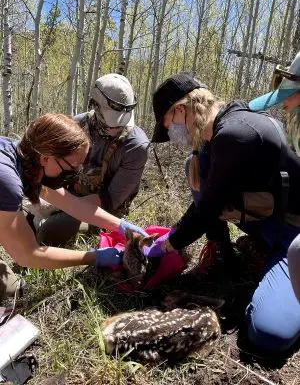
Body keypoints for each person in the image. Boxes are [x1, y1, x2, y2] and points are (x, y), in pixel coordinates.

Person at [151, 70, 300, 354]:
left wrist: (170, 243)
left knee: (268, 334)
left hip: (293, 236)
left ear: (181, 111)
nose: (171, 134)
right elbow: (208, 200)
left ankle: (274, 266)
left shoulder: (236, 133)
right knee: (195, 166)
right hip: (269, 221)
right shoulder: (215, 134)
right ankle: (225, 252)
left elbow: (207, 209)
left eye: (169, 124)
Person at [0, 113, 147, 300]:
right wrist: (94, 257)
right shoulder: (7, 181)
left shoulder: (24, 156)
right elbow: (27, 254)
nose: (73, 173)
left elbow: (74, 205)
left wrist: (122, 226)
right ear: (46, 158)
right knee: (11, 291)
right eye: (71, 166)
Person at [36, 74, 149, 246]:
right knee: (25, 212)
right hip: (71, 195)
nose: (117, 127)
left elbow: (111, 200)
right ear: (95, 106)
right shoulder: (77, 125)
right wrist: (49, 198)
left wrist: (61, 205)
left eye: (120, 122)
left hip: (105, 211)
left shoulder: (136, 146)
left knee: (50, 230)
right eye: (112, 121)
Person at [248, 51, 300, 305]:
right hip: (279, 223)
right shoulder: (290, 139)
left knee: (268, 331)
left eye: (290, 100)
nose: (284, 107)